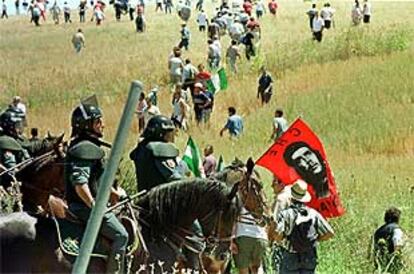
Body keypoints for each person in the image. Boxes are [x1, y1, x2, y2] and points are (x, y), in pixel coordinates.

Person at [65, 97, 128, 274]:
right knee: (121, 235)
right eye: (97, 121)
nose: (102, 124)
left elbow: (98, 181)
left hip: (88, 205)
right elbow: (80, 184)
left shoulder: (88, 145)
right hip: (82, 207)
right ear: (86, 125)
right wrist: (94, 206)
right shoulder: (85, 148)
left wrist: (116, 195)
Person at [270, 180, 334, 274]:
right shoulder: (313, 214)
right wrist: (314, 240)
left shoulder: (286, 214)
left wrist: (282, 241)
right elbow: (330, 233)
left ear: (292, 197)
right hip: (309, 256)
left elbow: (277, 234)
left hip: (290, 256)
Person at [129, 115, 181, 192]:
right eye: (169, 132)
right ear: (161, 133)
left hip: (145, 196)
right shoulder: (157, 149)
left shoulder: (143, 147)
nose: (172, 135)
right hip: (162, 198)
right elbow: (174, 178)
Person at [231, 206, 268, 274]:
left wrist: (231, 241)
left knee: (244, 271)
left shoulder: (239, 202)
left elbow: (233, 220)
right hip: (261, 238)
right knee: (256, 268)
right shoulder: (260, 201)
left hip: (243, 236)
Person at [372, 207, 405, 273]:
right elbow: (398, 247)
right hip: (392, 266)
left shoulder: (378, 231)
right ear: (397, 218)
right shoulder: (396, 230)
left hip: (379, 266)